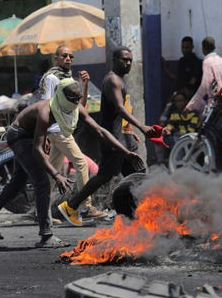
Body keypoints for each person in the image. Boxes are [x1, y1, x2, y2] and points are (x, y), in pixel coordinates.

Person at [0, 78, 141, 247]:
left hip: (32, 136)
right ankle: (46, 235)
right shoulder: (45, 111)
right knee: (43, 182)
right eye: (72, 98)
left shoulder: (75, 107)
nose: (76, 102)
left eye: (78, 98)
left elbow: (100, 131)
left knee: (18, 182)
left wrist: (125, 151)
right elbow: (37, 149)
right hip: (20, 136)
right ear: (61, 96)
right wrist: (57, 174)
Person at [58, 46, 159, 226]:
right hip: (114, 140)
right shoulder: (112, 80)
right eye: (124, 59)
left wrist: (131, 131)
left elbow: (120, 113)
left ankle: (140, 214)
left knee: (138, 176)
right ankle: (70, 206)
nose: (128, 63)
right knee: (106, 175)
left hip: (124, 137)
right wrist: (142, 126)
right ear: (115, 60)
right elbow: (119, 108)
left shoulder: (120, 80)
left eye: (130, 60)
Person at [39, 46, 106, 219]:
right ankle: (86, 207)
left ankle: (42, 212)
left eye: (71, 56)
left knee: (53, 174)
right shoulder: (52, 78)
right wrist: (44, 133)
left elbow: (79, 106)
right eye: (64, 56)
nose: (68, 58)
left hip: (63, 129)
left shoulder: (68, 78)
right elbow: (45, 105)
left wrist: (85, 85)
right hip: (57, 130)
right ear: (56, 58)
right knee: (81, 164)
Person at [184, 37, 222, 115]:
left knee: (207, 126)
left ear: (203, 48)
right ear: (214, 47)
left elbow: (204, 87)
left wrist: (189, 107)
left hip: (214, 104)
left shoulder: (207, 62)